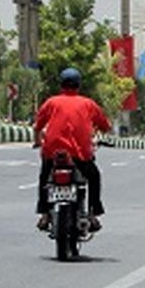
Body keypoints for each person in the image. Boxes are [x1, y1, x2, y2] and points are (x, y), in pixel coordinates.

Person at [34, 67, 112, 232]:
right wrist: (95, 133)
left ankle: (45, 214)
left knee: (44, 178)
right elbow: (105, 125)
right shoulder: (88, 104)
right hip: (80, 154)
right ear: (78, 85)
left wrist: (37, 142)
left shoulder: (52, 102)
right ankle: (93, 214)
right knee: (94, 177)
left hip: (52, 153)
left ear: (61, 85)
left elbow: (38, 126)